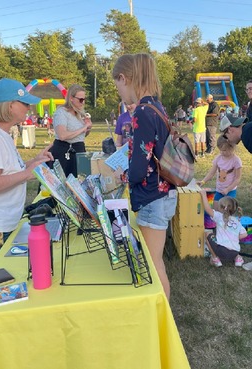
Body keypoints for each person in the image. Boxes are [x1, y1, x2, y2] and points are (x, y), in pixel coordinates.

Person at [112, 53, 177, 300]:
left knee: (152, 264)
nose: (119, 91)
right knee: (155, 261)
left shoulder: (141, 112)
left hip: (152, 196)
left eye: (117, 84)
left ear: (124, 78)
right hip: (163, 193)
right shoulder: (156, 106)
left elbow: (139, 167)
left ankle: (163, 320)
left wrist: (125, 174)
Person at [0, 78, 53, 259]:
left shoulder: (2, 134)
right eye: (25, 103)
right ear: (10, 106)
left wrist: (35, 161)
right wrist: (28, 174)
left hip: (6, 224)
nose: (29, 108)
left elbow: (10, 169)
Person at [48, 84, 92, 177]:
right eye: (80, 100)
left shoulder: (80, 113)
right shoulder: (61, 112)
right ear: (71, 98)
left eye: (84, 99)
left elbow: (80, 136)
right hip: (64, 152)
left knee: (80, 182)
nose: (83, 102)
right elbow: (62, 135)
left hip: (79, 150)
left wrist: (88, 128)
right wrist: (84, 127)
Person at [199, 189, 247, 268]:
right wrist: (233, 237)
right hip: (235, 252)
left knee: (207, 234)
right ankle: (238, 258)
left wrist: (204, 195)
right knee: (233, 243)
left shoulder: (218, 216)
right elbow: (244, 234)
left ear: (223, 208)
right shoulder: (237, 221)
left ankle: (215, 259)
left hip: (221, 251)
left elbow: (207, 209)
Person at [196, 135, 242, 210]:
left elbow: (237, 179)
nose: (222, 152)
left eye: (224, 150)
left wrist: (228, 189)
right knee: (216, 211)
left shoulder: (236, 161)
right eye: (220, 150)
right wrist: (203, 181)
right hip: (219, 190)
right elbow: (211, 173)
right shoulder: (218, 158)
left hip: (230, 191)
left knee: (227, 212)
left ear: (232, 148)